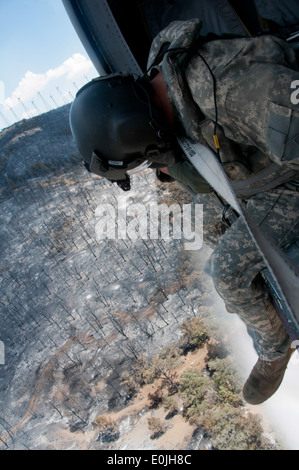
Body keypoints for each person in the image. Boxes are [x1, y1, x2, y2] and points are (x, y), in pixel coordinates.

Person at [70, 19, 299, 404]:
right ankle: (270, 304)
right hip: (265, 169)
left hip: (291, 177)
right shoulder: (170, 92)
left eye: (144, 160)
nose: (154, 167)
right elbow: (215, 170)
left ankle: (276, 350)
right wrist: (178, 160)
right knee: (204, 219)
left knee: (227, 271)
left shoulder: (225, 89)